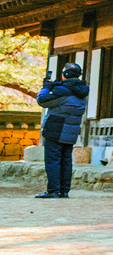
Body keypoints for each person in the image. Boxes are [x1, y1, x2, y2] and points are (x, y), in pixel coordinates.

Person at [35, 62, 88, 199]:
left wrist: (46, 88)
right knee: (66, 161)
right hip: (71, 131)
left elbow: (42, 100)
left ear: (65, 75)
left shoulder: (62, 91)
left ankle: (53, 190)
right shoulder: (82, 92)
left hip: (56, 129)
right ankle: (64, 191)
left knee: (52, 161)